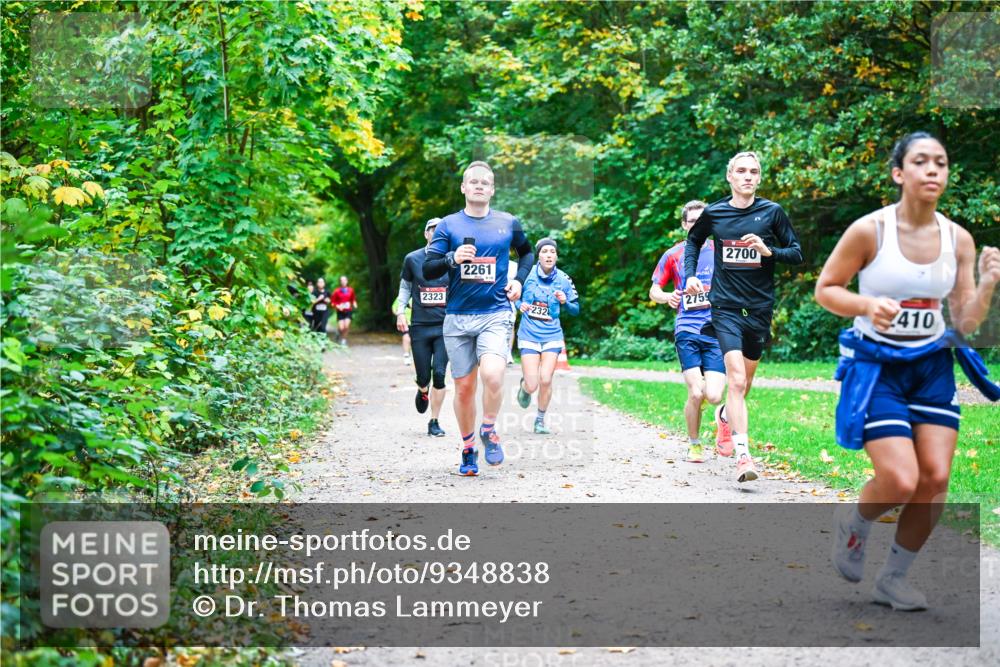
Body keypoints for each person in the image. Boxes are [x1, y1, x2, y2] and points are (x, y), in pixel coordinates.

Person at [815, 132, 999, 611]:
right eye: (921, 161)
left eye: (941, 162)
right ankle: (854, 522)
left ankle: (892, 579)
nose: (933, 169)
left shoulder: (958, 239)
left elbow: (965, 323)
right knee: (900, 480)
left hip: (931, 367)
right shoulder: (869, 231)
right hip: (878, 367)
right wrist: (866, 304)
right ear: (899, 173)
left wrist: (987, 285)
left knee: (934, 479)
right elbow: (826, 288)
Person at [684, 151, 803, 483]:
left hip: (760, 308)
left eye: (753, 171)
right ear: (730, 176)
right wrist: (690, 274)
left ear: (759, 177)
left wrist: (768, 251)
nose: (747, 176)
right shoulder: (715, 212)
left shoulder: (772, 212)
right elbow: (693, 242)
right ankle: (743, 457)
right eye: (741, 171)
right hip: (725, 307)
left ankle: (725, 417)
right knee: (735, 380)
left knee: (745, 383)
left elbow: (796, 253)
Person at [423, 161, 535, 476]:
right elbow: (428, 268)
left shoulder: (508, 222)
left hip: (495, 313)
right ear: (463, 187)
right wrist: (452, 258)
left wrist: (519, 281)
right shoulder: (448, 225)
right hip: (458, 317)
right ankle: (468, 448)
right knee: (464, 388)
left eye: (485, 182)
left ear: (492, 189)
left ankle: (488, 428)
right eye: (473, 181)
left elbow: (526, 254)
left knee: (493, 375)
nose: (479, 186)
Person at [649, 200, 728, 463]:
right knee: (696, 392)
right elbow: (654, 290)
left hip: (716, 330)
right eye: (693, 221)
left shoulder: (721, 250)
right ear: (685, 225)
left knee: (714, 396)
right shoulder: (673, 255)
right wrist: (667, 297)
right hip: (687, 329)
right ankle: (695, 445)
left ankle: (721, 416)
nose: (698, 225)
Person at [514, 238, 580, 434]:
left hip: (552, 335)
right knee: (532, 384)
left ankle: (540, 421)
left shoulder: (564, 279)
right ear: (538, 256)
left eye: (552, 252)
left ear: (556, 256)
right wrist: (519, 305)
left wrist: (566, 302)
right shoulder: (526, 275)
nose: (549, 255)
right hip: (528, 334)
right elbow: (512, 296)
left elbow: (576, 310)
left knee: (545, 379)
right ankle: (524, 387)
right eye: (544, 252)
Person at [396, 217, 451, 437]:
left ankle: (434, 421)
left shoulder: (452, 259)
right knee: (423, 376)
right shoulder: (412, 259)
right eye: (432, 230)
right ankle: (422, 389)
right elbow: (405, 287)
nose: (436, 233)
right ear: (426, 234)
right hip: (419, 326)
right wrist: (401, 311)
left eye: (440, 230)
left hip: (445, 327)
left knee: (440, 373)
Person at [330, 276, 358, 346]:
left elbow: (353, 299)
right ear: (340, 282)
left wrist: (354, 304)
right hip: (340, 311)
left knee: (346, 326)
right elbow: (332, 302)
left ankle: (343, 340)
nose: (343, 282)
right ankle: (338, 333)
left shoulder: (351, 290)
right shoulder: (337, 291)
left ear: (347, 281)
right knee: (341, 328)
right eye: (342, 280)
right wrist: (337, 306)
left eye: (345, 280)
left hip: (348, 311)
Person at [392, 296, 412, 365]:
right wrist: (400, 316)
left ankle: (407, 355)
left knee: (407, 335)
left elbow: (394, 309)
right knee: (407, 336)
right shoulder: (403, 295)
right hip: (407, 320)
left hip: (413, 321)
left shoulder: (402, 296)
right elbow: (394, 308)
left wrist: (399, 315)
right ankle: (407, 355)